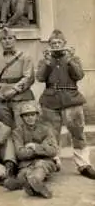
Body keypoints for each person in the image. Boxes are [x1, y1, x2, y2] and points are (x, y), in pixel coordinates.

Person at [37, 29, 95, 179]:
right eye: (53, 43)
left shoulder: (73, 58)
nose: (56, 45)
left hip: (71, 98)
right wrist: (47, 63)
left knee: (78, 133)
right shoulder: (45, 60)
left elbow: (79, 75)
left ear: (64, 44)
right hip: (50, 100)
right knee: (51, 134)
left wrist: (69, 60)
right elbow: (40, 78)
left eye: (59, 43)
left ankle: (83, 164)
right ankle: (53, 162)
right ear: (49, 45)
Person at [5, 103, 59, 198]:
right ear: (22, 118)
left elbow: (53, 150)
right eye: (26, 115)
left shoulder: (46, 129)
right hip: (26, 163)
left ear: (37, 115)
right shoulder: (17, 132)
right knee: (23, 173)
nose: (29, 118)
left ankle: (34, 182)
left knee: (40, 167)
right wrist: (42, 148)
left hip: (45, 161)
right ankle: (30, 185)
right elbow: (20, 153)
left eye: (32, 115)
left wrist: (34, 147)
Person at [0, 28, 35, 129]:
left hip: (20, 98)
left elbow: (28, 77)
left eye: (10, 38)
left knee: (22, 127)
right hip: (2, 100)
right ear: (0, 41)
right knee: (6, 129)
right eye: (4, 39)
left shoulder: (25, 57)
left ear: (15, 39)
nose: (7, 41)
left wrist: (14, 90)